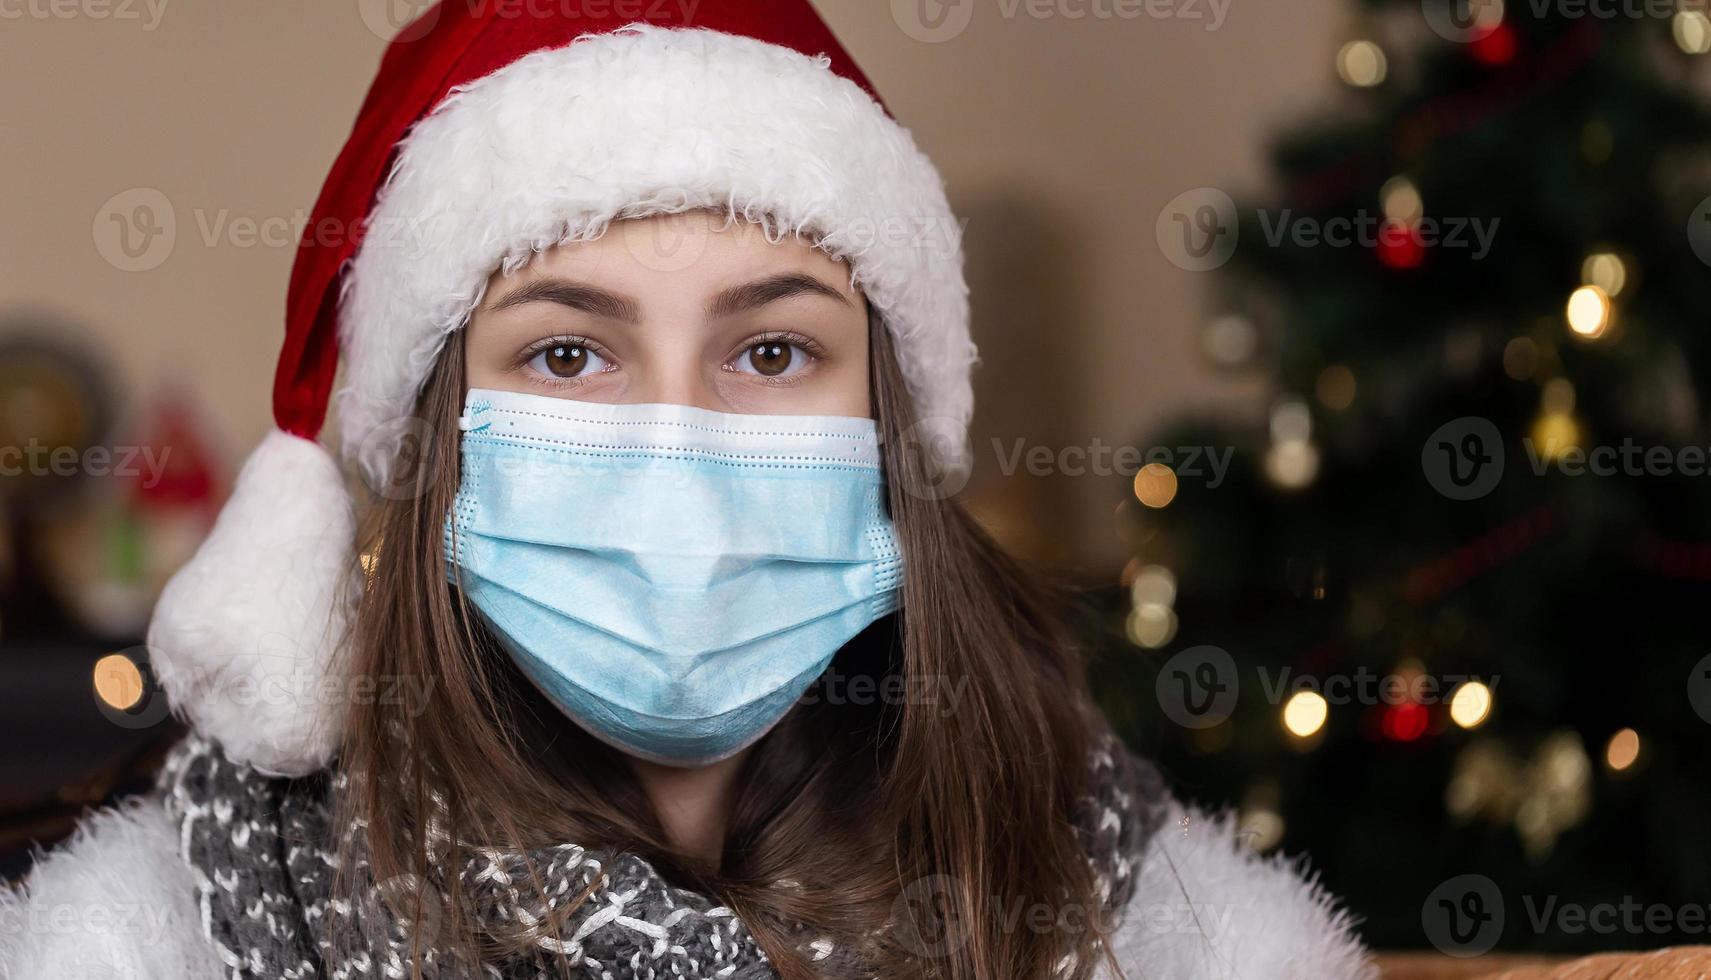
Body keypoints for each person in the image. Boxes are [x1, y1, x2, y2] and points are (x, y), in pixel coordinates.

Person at [0, 4, 1373, 978]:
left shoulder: (1173, 934)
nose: (673, 448)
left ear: (889, 429)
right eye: (568, 351)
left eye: (772, 350)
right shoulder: (142, 947)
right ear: (442, 446)